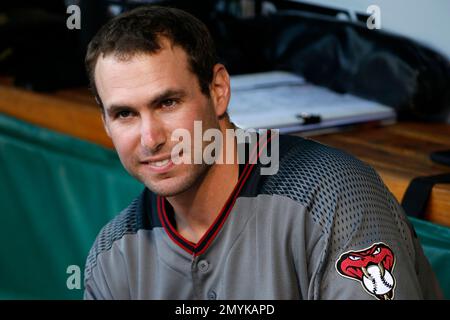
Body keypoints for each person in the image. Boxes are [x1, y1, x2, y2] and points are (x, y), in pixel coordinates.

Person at [83, 5, 443, 300]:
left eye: (168, 102)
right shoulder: (113, 255)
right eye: (125, 114)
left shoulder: (334, 195)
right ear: (105, 120)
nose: (150, 138)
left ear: (219, 90)